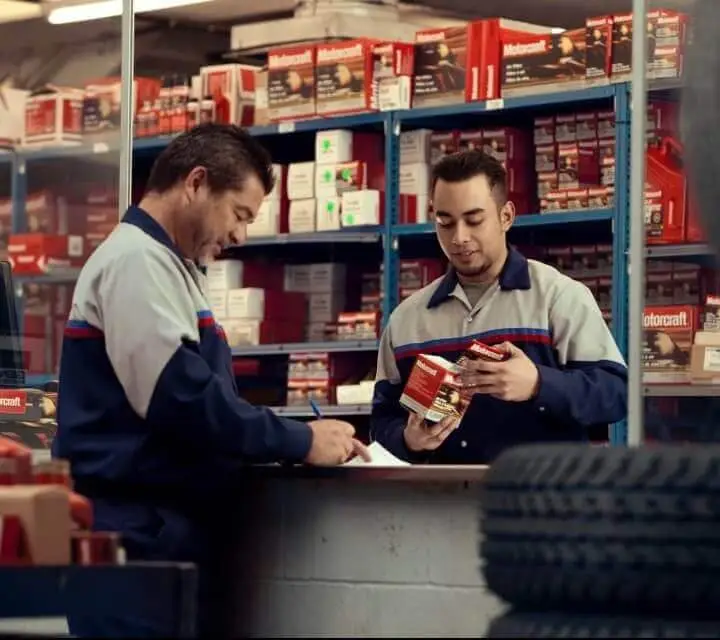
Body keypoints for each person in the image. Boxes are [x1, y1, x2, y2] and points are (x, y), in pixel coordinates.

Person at [52, 123, 370, 637]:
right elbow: (181, 399)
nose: (240, 235)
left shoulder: (173, 268)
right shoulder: (136, 261)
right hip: (132, 543)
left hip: (158, 539)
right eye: (239, 214)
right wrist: (299, 438)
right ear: (196, 183)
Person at [371, 150, 627, 464]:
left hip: (540, 504)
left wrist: (538, 384)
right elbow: (382, 421)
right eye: (445, 222)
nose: (459, 238)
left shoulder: (558, 297)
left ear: (506, 216)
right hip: (441, 504)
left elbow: (616, 394)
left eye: (474, 220)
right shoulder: (407, 320)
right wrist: (408, 438)